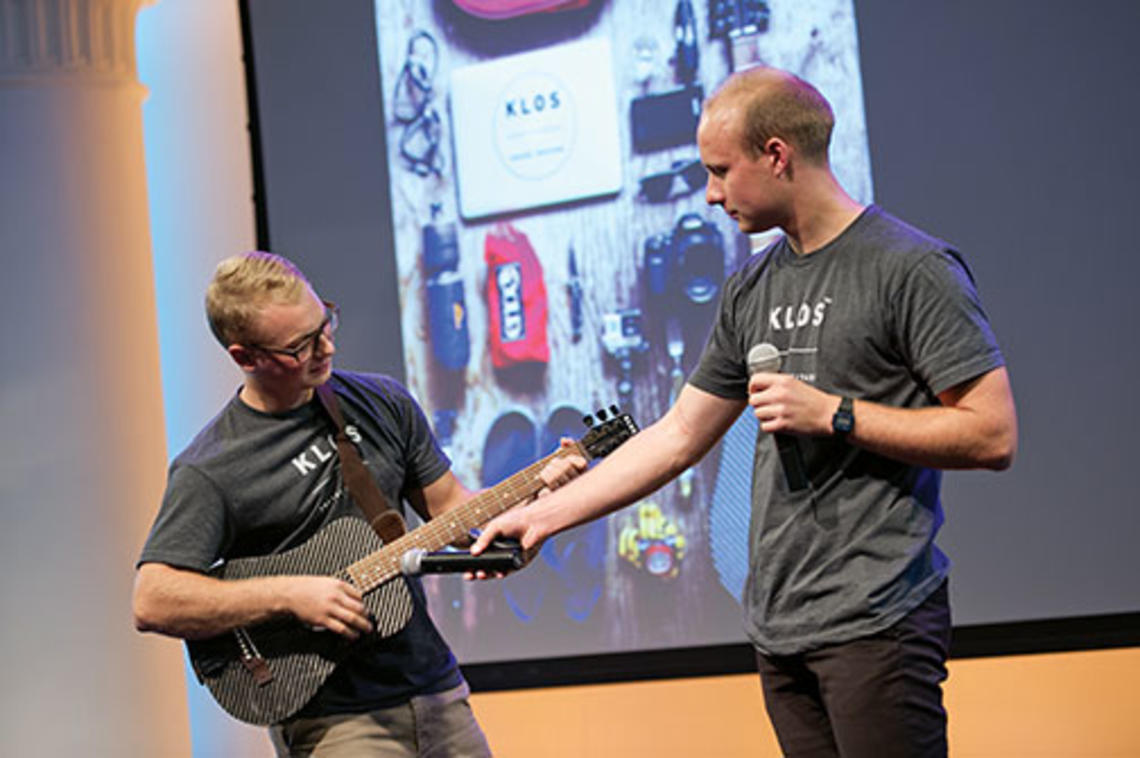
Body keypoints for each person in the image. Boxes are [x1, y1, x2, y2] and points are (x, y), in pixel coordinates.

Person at [472, 66, 1017, 758]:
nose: (711, 192)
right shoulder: (750, 287)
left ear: (777, 155)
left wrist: (835, 414)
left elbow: (992, 432)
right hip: (781, 624)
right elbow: (676, 436)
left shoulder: (910, 268)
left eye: (721, 170)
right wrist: (542, 519)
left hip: (877, 617)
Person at [133, 251, 583, 757]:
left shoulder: (383, 402)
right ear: (245, 357)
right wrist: (288, 595)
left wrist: (536, 492)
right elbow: (153, 599)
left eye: (324, 322)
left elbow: (451, 512)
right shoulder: (212, 467)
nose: (327, 346)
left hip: (434, 686)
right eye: (301, 345)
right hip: (332, 719)